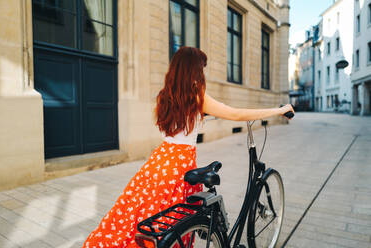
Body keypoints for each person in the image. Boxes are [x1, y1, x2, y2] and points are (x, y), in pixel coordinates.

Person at [82, 47, 294, 248]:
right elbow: (236, 114)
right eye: (200, 69)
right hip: (178, 165)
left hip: (159, 163)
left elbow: (180, 126)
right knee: (170, 226)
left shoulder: (165, 95)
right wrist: (278, 111)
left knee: (137, 217)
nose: (202, 74)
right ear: (193, 70)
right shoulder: (197, 96)